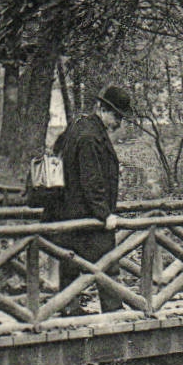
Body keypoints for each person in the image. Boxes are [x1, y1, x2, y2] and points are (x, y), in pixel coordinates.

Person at [42, 85, 133, 314]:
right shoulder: (90, 137)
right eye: (116, 116)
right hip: (86, 213)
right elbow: (91, 180)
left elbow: (58, 150)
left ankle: (69, 307)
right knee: (106, 262)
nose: (119, 122)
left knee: (71, 262)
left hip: (70, 210)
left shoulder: (78, 126)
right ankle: (113, 310)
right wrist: (104, 214)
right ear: (101, 109)